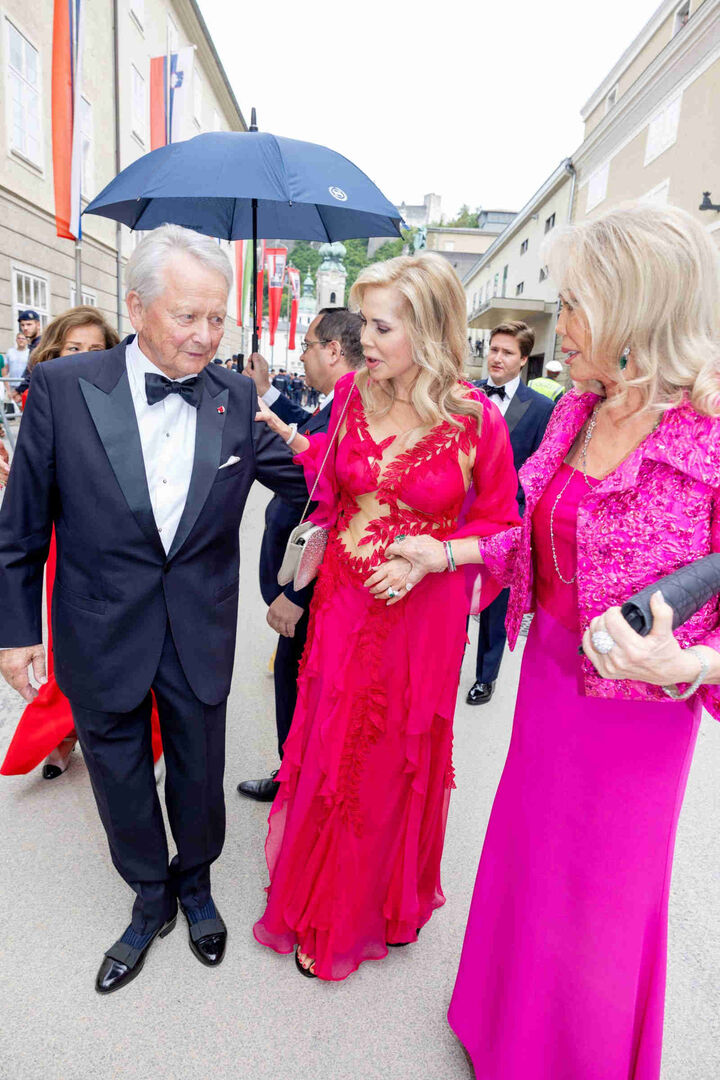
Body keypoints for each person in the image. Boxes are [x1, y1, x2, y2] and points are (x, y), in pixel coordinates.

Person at [407, 203, 720, 1079]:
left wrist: (689, 662)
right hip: (547, 679)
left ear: (633, 309)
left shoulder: (713, 434)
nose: (561, 325)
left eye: (575, 304)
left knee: (604, 900)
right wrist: (451, 551)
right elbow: (535, 535)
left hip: (637, 718)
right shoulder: (577, 409)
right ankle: (504, 1028)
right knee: (530, 859)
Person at [0, 224, 307, 995]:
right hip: (99, 623)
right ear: (137, 307)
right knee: (118, 771)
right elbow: (21, 528)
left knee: (200, 771)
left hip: (197, 624)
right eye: (188, 317)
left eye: (218, 319)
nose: (207, 337)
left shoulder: (237, 397)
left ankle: (196, 884)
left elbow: (312, 484)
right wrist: (13, 635)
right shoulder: (66, 390)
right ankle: (148, 894)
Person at [252, 252, 520, 980]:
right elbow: (330, 492)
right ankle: (327, 907)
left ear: (428, 330)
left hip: (419, 616)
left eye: (380, 325)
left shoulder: (476, 421)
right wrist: (286, 441)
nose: (365, 340)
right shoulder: (347, 399)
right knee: (336, 748)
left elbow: (505, 529)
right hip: (343, 600)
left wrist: (436, 555)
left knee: (393, 757)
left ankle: (386, 901)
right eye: (364, 323)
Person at [0, 307, 160, 782]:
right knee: (75, 641)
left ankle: (143, 742)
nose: (85, 359)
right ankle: (64, 732)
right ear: (54, 353)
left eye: (97, 350)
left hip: (119, 544)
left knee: (130, 643)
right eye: (74, 350)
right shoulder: (46, 394)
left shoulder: (131, 402)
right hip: (58, 534)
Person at [237, 307, 365, 802]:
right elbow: (308, 434)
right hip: (302, 578)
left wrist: (294, 591)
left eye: (309, 345)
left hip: (308, 582)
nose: (305, 354)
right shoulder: (339, 401)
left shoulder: (353, 406)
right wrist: (265, 389)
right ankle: (298, 770)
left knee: (299, 683)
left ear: (333, 350)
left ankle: (296, 779)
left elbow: (330, 513)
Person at [467, 321, 554, 705]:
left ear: (523, 360)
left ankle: (486, 676)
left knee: (496, 605)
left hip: (508, 521)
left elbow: (539, 471)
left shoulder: (541, 409)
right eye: (494, 349)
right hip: (463, 515)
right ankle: (445, 664)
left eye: (506, 352)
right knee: (454, 595)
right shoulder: (466, 396)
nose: (497, 357)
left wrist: (524, 525)